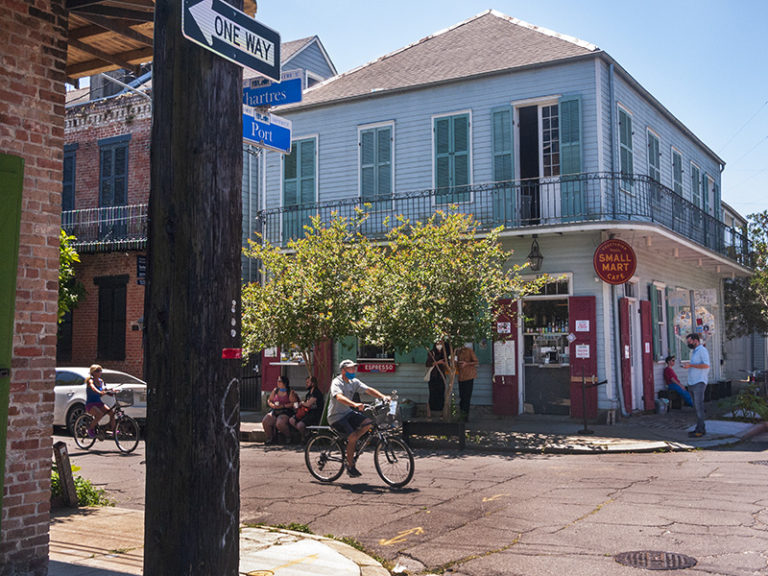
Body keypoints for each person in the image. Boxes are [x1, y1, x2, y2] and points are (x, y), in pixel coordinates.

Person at [327, 359, 391, 477]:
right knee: (352, 437)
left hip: (347, 413)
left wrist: (383, 396)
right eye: (351, 368)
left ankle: (354, 442)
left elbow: (368, 389)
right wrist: (354, 404)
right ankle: (350, 466)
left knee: (368, 423)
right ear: (343, 371)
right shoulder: (337, 382)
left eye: (354, 368)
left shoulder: (353, 381)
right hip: (336, 417)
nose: (353, 370)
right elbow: (339, 397)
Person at [681, 333, 710, 437]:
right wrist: (689, 365)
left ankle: (701, 430)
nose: (688, 343)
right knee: (696, 407)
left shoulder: (702, 350)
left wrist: (691, 365)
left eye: (690, 341)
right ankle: (698, 427)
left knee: (699, 406)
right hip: (692, 382)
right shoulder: (694, 352)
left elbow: (706, 365)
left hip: (699, 382)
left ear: (696, 340)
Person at [262, 376, 299, 445]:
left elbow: (294, 403)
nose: (277, 383)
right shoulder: (275, 390)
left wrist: (283, 406)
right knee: (266, 420)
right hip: (275, 410)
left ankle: (288, 437)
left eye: (279, 381)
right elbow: (269, 400)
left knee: (280, 423)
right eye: (277, 381)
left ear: (284, 383)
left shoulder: (290, 392)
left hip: (286, 410)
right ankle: (271, 438)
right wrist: (272, 405)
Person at [289, 375, 324, 441]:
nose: (306, 384)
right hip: (307, 412)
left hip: (315, 414)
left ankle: (304, 437)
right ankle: (306, 433)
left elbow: (308, 404)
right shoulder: (308, 394)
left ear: (313, 384)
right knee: (292, 420)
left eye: (308, 382)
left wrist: (302, 403)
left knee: (300, 425)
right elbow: (304, 404)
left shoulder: (316, 393)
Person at [84, 364, 115, 437]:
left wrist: (111, 391)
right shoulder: (90, 381)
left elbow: (103, 390)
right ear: (93, 372)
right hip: (91, 404)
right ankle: (90, 428)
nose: (100, 372)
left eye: (100, 370)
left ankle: (114, 430)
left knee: (111, 413)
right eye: (97, 371)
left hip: (99, 403)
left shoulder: (101, 381)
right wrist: (99, 392)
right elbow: (93, 388)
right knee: (99, 414)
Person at [426, 341, 451, 419]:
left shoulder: (445, 353)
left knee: (441, 394)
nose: (439, 346)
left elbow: (448, 364)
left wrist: (445, 364)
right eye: (437, 344)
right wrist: (437, 362)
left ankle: (442, 414)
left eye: (440, 344)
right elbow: (428, 364)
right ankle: (429, 414)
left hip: (441, 376)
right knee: (432, 394)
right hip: (433, 376)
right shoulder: (432, 352)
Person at [456, 342, 479, 421]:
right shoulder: (457, 352)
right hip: (461, 377)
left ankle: (465, 417)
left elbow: (476, 362)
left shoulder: (469, 351)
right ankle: (462, 415)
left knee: (466, 397)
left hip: (469, 376)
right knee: (462, 397)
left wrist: (467, 364)